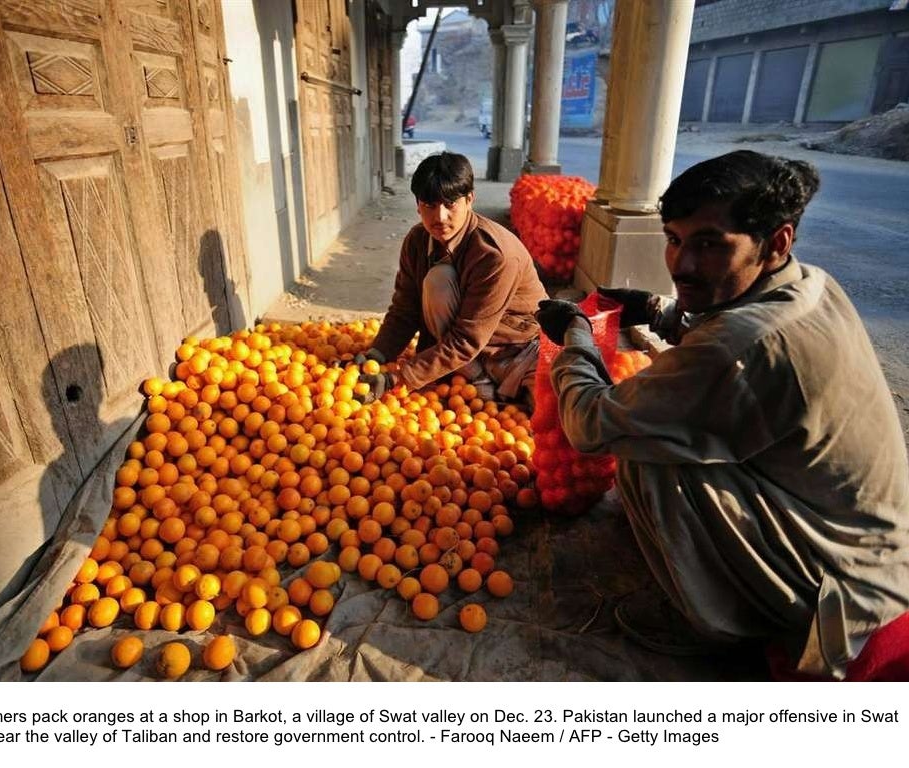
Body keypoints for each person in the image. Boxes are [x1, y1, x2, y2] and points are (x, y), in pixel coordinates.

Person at [535, 150, 909, 679]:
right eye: (673, 239)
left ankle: (719, 622)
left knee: (643, 447)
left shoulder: (741, 343)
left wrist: (575, 334)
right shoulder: (811, 285)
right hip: (873, 546)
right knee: (657, 424)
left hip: (842, 594)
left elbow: (589, 424)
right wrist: (658, 311)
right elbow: (732, 337)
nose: (682, 264)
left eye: (709, 245)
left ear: (776, 241)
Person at [357, 152, 548, 407]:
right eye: (429, 205)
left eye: (450, 204)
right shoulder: (416, 242)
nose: (440, 217)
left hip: (515, 348)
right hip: (468, 352)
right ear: (417, 205)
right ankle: (476, 380)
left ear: (470, 199)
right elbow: (405, 309)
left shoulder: (494, 255)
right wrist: (377, 355)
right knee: (439, 280)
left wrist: (398, 378)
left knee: (549, 416)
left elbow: (467, 339)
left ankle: (483, 384)